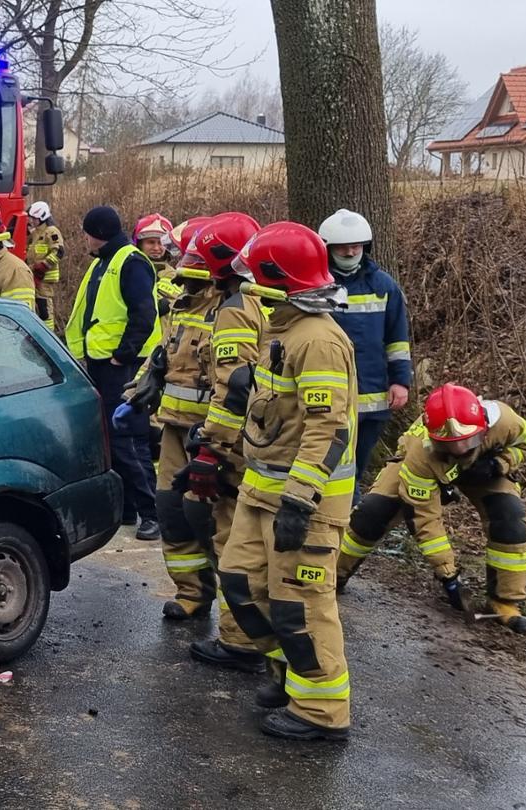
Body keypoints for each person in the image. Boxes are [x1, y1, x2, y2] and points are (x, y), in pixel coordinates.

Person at [214, 221, 357, 742]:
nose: (247, 284)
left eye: (255, 274)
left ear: (277, 279)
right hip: (260, 487)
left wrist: (300, 499)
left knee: (300, 603)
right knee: (240, 582)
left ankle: (322, 711)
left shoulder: (317, 340)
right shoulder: (283, 328)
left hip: (304, 501)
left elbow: (330, 429)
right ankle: (289, 674)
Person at [337, 384, 526, 633]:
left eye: (468, 441)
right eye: (452, 446)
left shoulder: (504, 420)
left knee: (509, 515)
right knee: (373, 512)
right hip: (431, 467)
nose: (461, 450)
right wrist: (448, 574)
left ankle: (505, 602)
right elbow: (425, 519)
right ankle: (334, 574)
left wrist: (500, 464)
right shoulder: (419, 455)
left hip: (484, 466)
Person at [173, 214, 271, 671]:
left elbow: (233, 386)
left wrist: (210, 446)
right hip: (259, 436)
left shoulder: (234, 308)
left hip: (236, 444)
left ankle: (241, 641)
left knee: (235, 542)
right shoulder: (260, 299)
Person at [125, 215, 220, 614]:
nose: (180, 263)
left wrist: (216, 439)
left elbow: (239, 384)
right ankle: (192, 594)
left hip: (213, 436)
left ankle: (240, 626)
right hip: (174, 428)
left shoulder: (236, 310)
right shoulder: (182, 302)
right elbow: (164, 352)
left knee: (215, 524)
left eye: (188, 255)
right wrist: (138, 387)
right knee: (171, 510)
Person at [65, 205, 161, 541]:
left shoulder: (129, 261)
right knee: (113, 436)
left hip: (124, 366)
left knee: (128, 436)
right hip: (102, 363)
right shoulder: (104, 262)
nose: (84, 240)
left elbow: (143, 313)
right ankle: (129, 509)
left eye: (86, 233)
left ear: (97, 233)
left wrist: (124, 355)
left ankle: (152, 513)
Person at [317, 209, 412, 499]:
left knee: (355, 468)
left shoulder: (384, 287)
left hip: (372, 398)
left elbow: (397, 340)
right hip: (329, 395)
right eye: (343, 247)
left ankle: (349, 513)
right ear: (328, 249)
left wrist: (401, 382)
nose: (350, 252)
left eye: (356, 246)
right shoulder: (316, 286)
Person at [136, 213, 184, 307]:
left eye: (161, 243)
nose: (156, 248)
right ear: (139, 244)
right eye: (150, 242)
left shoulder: (174, 275)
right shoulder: (129, 270)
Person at [26, 201, 63, 321]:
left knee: (45, 309)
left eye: (34, 219)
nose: (32, 221)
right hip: (35, 274)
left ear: (42, 217)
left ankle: (48, 334)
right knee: (37, 308)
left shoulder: (51, 231)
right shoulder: (35, 233)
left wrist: (44, 265)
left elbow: (59, 251)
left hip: (46, 276)